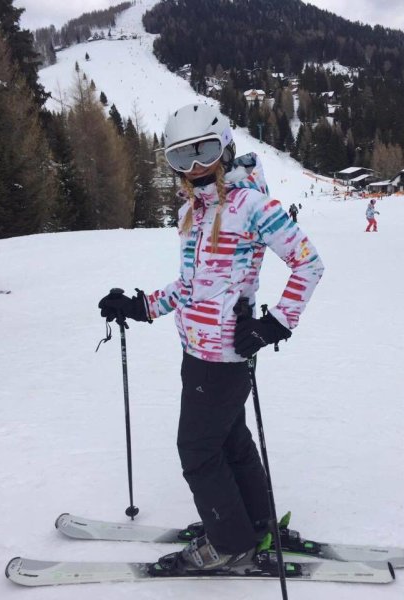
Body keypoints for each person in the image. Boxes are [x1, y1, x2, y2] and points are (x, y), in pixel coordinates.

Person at [98, 103, 324, 572]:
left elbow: (308, 263)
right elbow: (189, 286)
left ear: (226, 147)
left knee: (198, 451)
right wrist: (140, 306)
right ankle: (255, 522)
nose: (197, 166)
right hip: (195, 349)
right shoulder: (192, 212)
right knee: (229, 441)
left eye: (205, 151)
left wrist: (275, 323)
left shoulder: (254, 207)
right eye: (183, 157)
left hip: (225, 353)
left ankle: (230, 542)